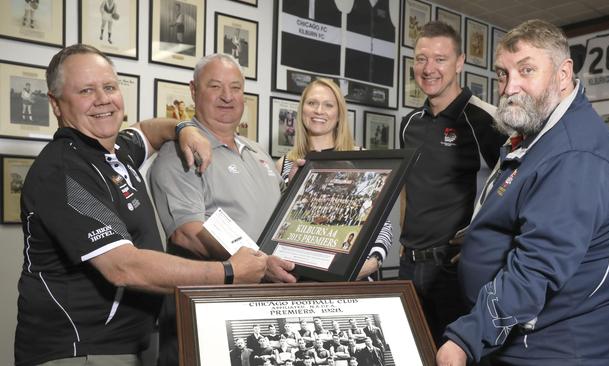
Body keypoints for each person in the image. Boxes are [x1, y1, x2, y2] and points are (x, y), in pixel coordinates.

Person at [14, 44, 267, 366]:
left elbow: (148, 130)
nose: (103, 99)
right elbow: (124, 267)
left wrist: (183, 128)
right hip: (82, 350)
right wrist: (230, 272)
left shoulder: (116, 149)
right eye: (86, 91)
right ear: (56, 103)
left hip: (131, 342)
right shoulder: (65, 171)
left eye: (109, 87)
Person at [436, 20, 609, 366]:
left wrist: (466, 339)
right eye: (503, 74)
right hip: (533, 343)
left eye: (526, 70)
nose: (509, 87)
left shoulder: (577, 154)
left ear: (563, 75)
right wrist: (480, 241)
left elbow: (539, 266)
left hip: (567, 350)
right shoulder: (539, 135)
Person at [149, 53, 296, 366]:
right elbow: (188, 233)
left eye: (236, 87)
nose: (227, 97)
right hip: (208, 312)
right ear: (193, 90)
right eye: (215, 86)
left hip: (267, 308)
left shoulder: (258, 152)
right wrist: (260, 264)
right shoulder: (178, 154)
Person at [398, 21, 507, 345]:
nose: (428, 68)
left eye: (440, 59)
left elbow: (512, 187)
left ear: (460, 62)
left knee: (456, 355)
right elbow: (408, 191)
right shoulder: (409, 124)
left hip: (455, 271)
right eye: (421, 58)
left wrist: (481, 241)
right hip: (408, 267)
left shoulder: (487, 120)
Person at [276, 78, 393, 280]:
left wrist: (371, 263)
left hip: (353, 277)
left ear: (339, 114)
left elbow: (383, 224)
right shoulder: (284, 164)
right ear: (302, 109)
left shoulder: (362, 159)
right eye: (312, 103)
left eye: (328, 105)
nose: (319, 111)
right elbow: (278, 225)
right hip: (300, 276)